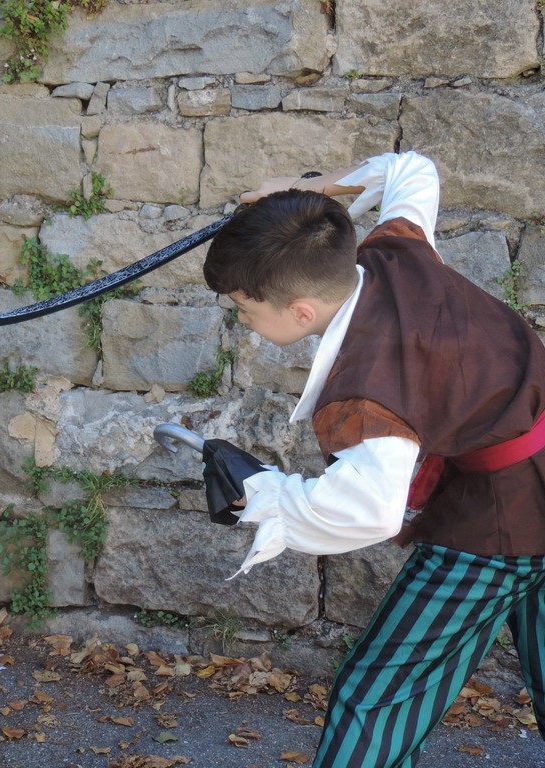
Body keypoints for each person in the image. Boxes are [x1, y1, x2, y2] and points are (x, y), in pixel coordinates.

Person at [201, 151, 545, 767]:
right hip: (523, 477)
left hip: (501, 516)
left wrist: (263, 494)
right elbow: (412, 170)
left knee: (376, 699)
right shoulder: (397, 250)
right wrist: (302, 187)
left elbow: (371, 509)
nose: (243, 321)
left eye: (246, 310)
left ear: (300, 311)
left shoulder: (366, 392)